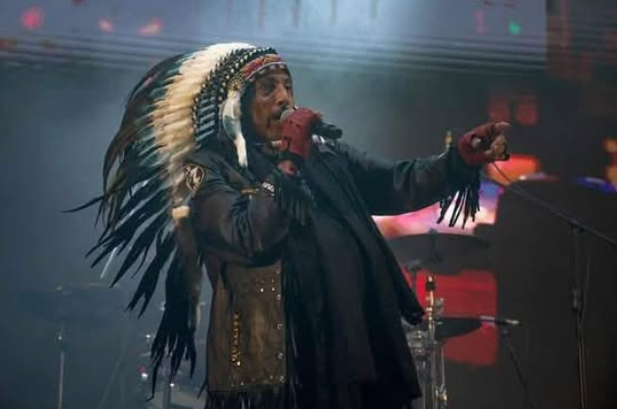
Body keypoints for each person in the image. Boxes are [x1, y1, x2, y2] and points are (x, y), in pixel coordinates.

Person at [82, 43, 509, 409]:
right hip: (274, 369)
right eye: (268, 88)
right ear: (236, 104)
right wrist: (289, 163)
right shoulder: (208, 169)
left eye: (287, 85)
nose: (284, 97)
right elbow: (249, 236)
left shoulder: (326, 155)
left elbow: (396, 183)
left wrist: (458, 161)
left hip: (351, 352)